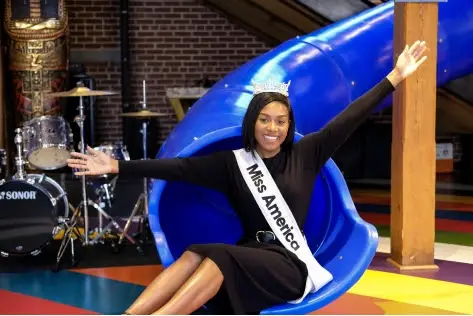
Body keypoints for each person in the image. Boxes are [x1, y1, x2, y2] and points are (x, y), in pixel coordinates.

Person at [68, 40, 428, 315]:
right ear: (253, 122)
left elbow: (350, 117)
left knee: (220, 257)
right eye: (265, 119)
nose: (272, 128)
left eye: (280, 121)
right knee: (195, 253)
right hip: (249, 255)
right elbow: (177, 169)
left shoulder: (307, 154)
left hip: (289, 266)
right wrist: (116, 167)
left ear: (289, 127)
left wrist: (394, 77)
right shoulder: (232, 163)